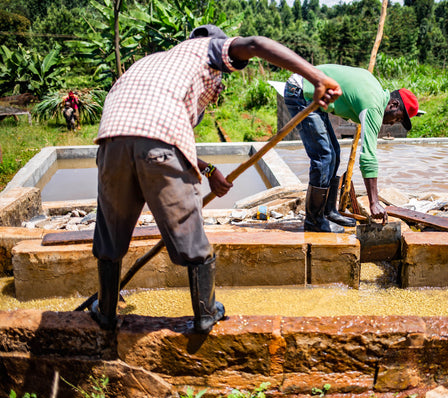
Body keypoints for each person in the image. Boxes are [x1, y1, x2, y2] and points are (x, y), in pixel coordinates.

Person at [90, 25, 341, 333]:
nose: (221, 82)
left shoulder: (154, 62)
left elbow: (148, 134)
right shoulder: (206, 49)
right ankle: (206, 313)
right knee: (190, 236)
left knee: (110, 237)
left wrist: (209, 172)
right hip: (157, 144)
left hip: (110, 144)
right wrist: (316, 77)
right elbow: (256, 42)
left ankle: (105, 311)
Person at [284, 64, 419, 232]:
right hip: (300, 91)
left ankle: (329, 211)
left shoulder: (375, 92)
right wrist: (374, 202)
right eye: (397, 118)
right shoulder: (373, 106)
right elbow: (368, 156)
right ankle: (314, 221)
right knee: (323, 156)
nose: (392, 123)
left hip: (312, 93)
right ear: (393, 104)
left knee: (334, 153)